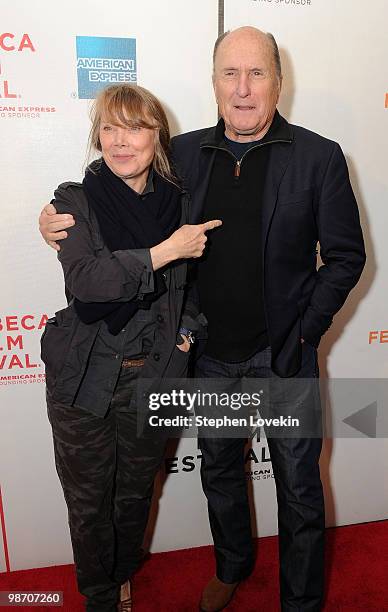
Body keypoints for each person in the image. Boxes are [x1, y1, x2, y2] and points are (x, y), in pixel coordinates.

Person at [39, 28, 366, 612]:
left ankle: (302, 602)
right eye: (229, 75)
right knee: (219, 471)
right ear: (213, 83)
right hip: (209, 356)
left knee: (298, 487)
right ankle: (233, 566)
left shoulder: (319, 156)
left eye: (256, 74)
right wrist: (55, 218)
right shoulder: (184, 155)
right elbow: (121, 198)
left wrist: (306, 329)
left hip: (282, 356)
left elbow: (346, 258)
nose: (243, 90)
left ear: (278, 81)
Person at [40, 83, 221, 612]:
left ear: (156, 137)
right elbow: (89, 282)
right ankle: (100, 595)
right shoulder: (75, 198)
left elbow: (197, 283)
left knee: (136, 492)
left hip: (157, 371)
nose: (121, 141)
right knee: (89, 502)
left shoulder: (181, 201)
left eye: (135, 127)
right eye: (109, 128)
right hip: (83, 374)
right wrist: (164, 252)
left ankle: (121, 570)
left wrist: (189, 330)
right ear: (97, 136)